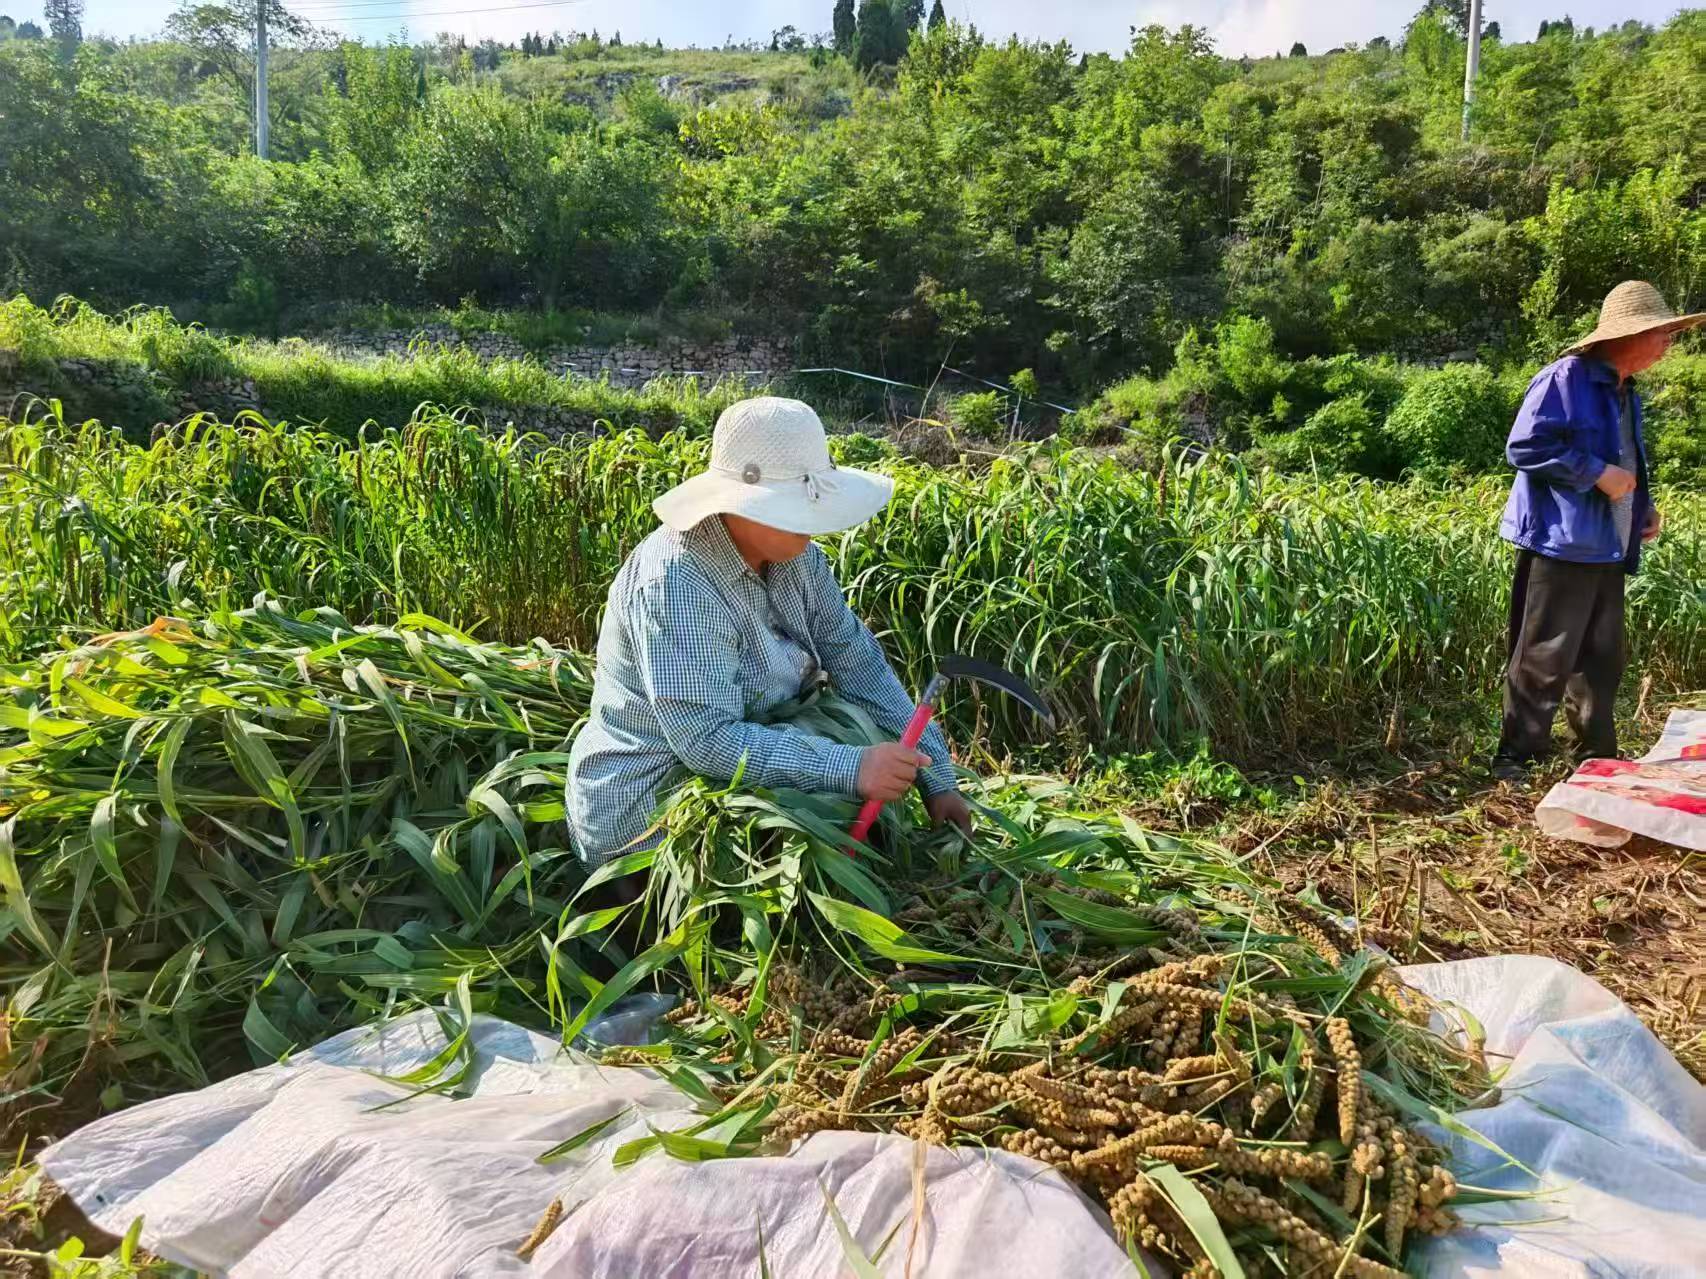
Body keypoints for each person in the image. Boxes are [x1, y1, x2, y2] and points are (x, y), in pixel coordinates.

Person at [567, 395, 974, 867]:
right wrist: (853, 767)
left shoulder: (798, 560)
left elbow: (855, 659)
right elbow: (707, 739)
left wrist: (936, 776)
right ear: (737, 503)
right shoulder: (677, 582)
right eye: (796, 507)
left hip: (753, 758)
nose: (813, 526)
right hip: (654, 807)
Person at [1492, 280, 1705, 779]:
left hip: (1610, 544)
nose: (1668, 342)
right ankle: (1515, 756)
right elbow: (1525, 446)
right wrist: (1595, 474)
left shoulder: (1627, 393)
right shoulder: (1564, 379)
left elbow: (1629, 460)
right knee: (1544, 655)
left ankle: (1595, 753)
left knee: (1602, 657)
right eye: (1661, 332)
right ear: (1626, 336)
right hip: (1564, 542)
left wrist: (1643, 507)